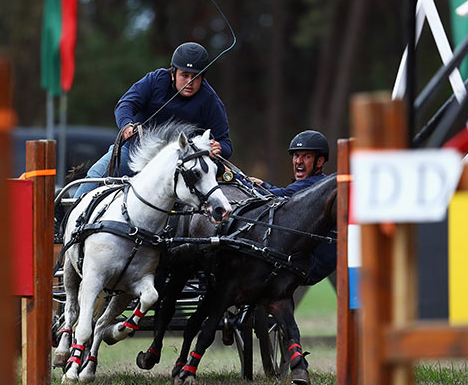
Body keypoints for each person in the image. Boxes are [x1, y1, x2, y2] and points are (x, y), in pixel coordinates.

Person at [73, 42, 232, 197]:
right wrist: (126, 124)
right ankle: (71, 215)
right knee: (94, 177)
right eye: (184, 75)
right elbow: (126, 104)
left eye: (196, 77)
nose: (190, 82)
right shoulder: (155, 80)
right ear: (172, 73)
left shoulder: (210, 100)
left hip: (177, 164)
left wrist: (220, 148)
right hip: (135, 151)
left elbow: (225, 142)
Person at [253, 130, 335, 286]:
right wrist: (264, 185)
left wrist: (236, 179)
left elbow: (282, 195)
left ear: (319, 162)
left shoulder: (315, 186)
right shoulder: (315, 183)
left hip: (310, 264)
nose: (299, 161)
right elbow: (287, 192)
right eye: (296, 156)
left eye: (306, 156)